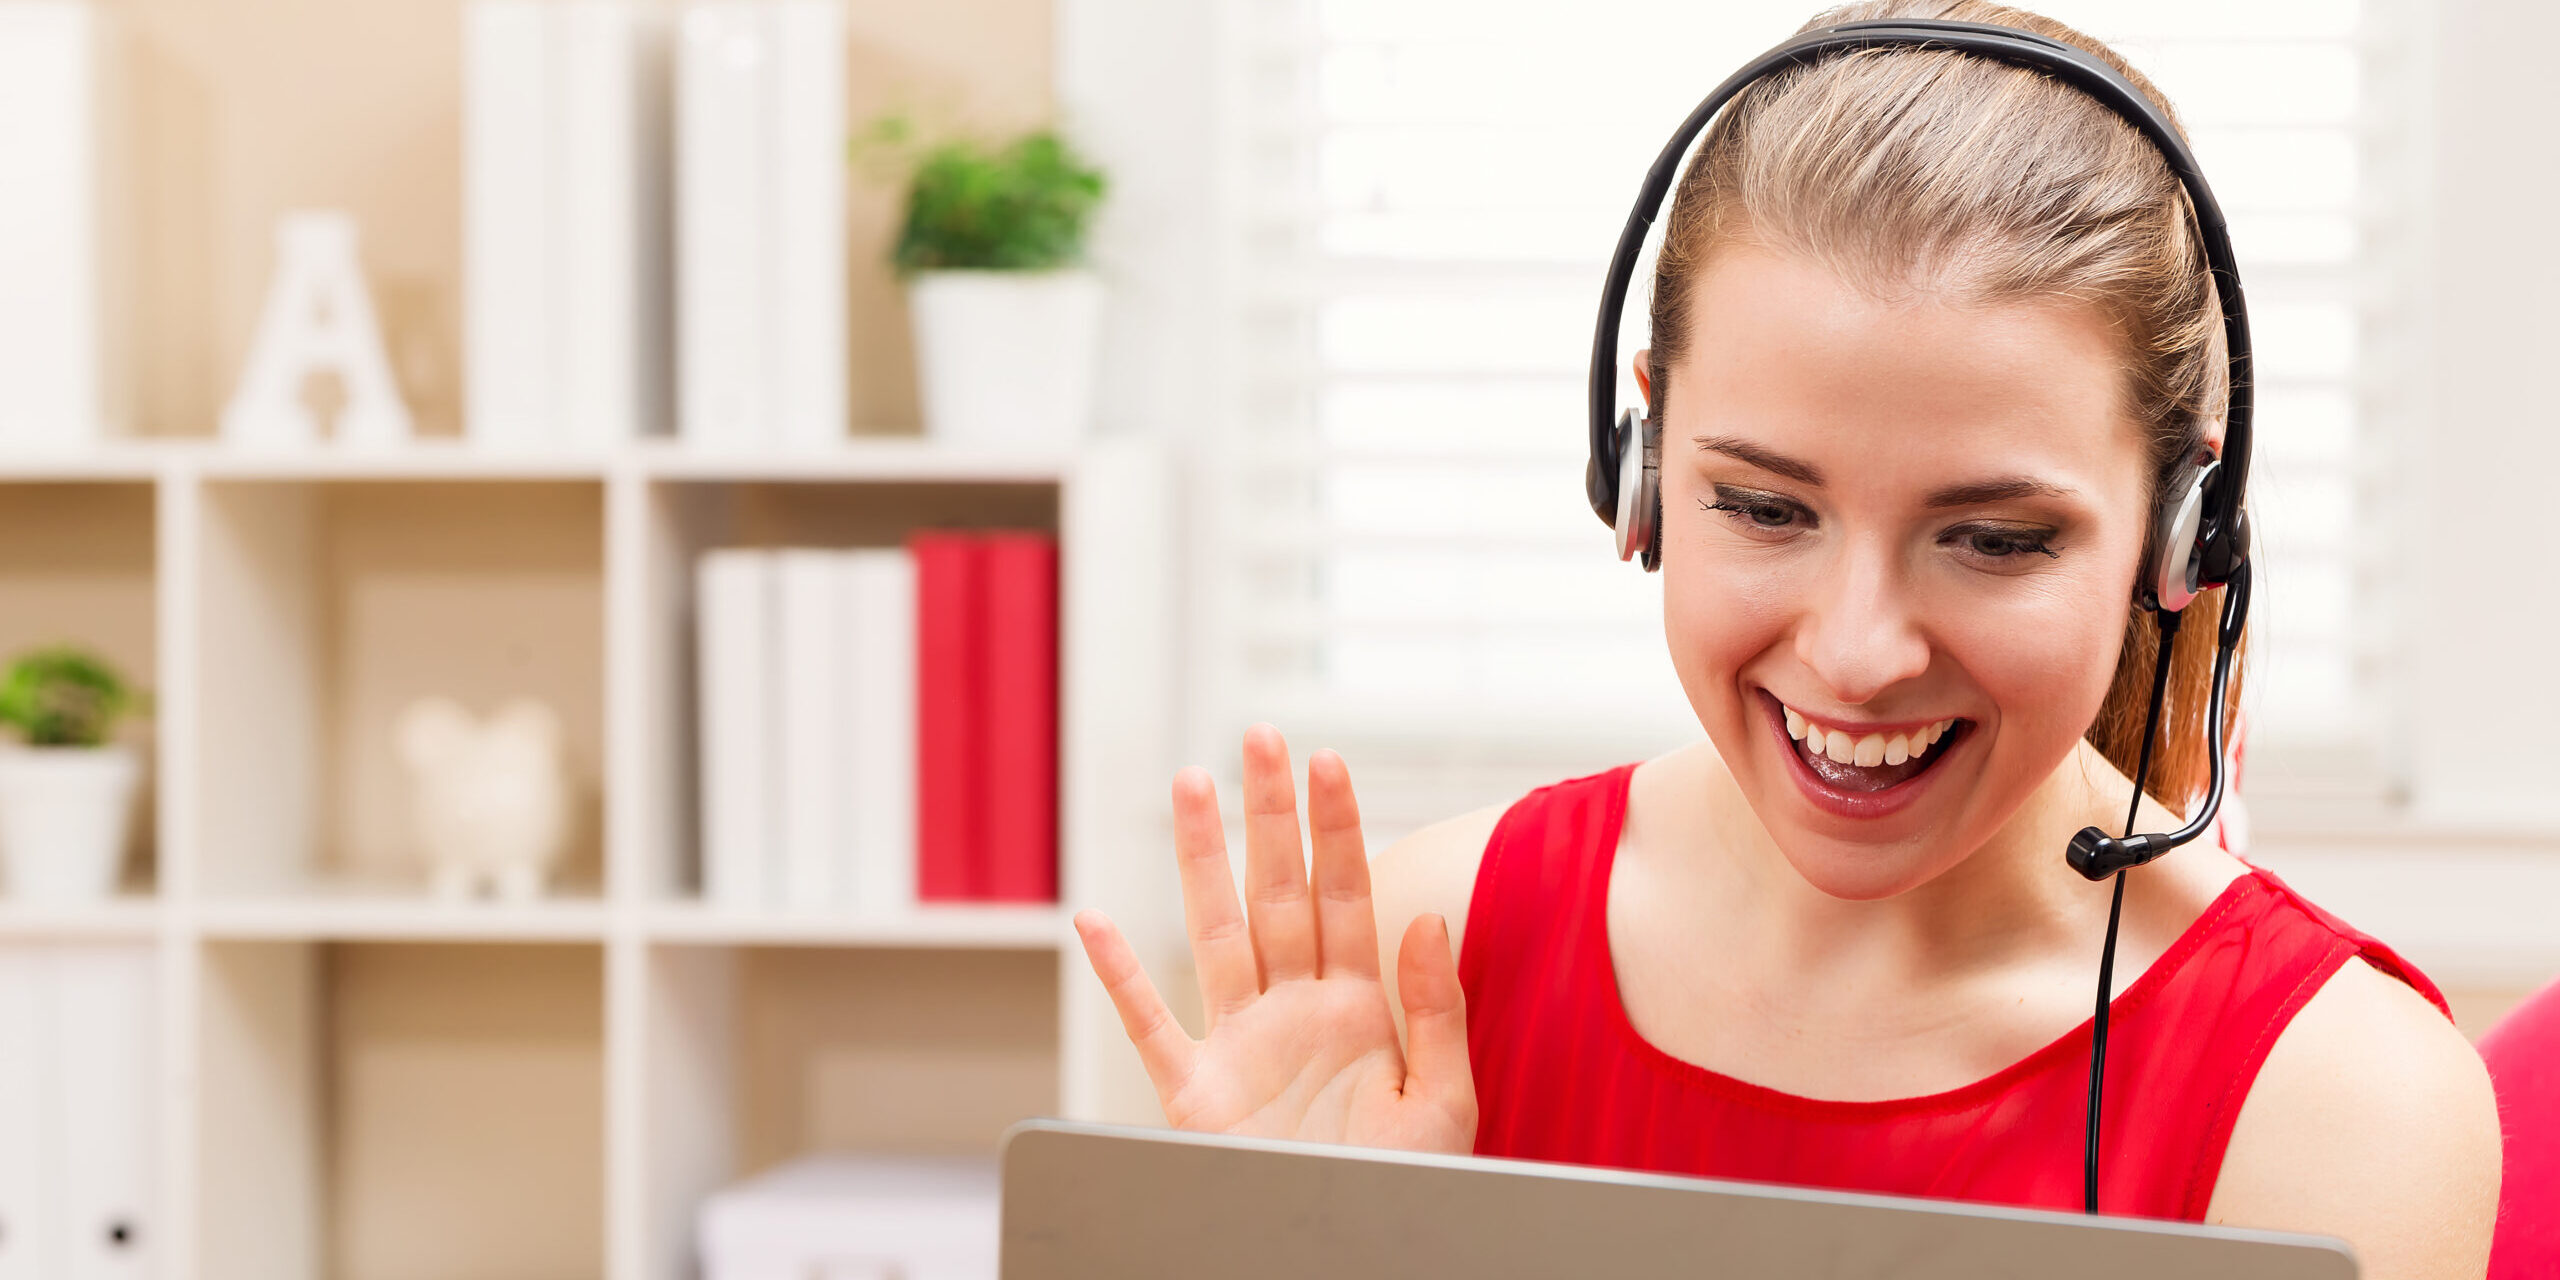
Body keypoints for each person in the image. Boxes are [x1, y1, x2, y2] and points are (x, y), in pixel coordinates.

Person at [1069, 3, 2502, 1277]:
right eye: (1763, 505)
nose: (1860, 652)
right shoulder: (1416, 963)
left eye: (1996, 538)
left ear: (2181, 531)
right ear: (1640, 468)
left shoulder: (2338, 1102)